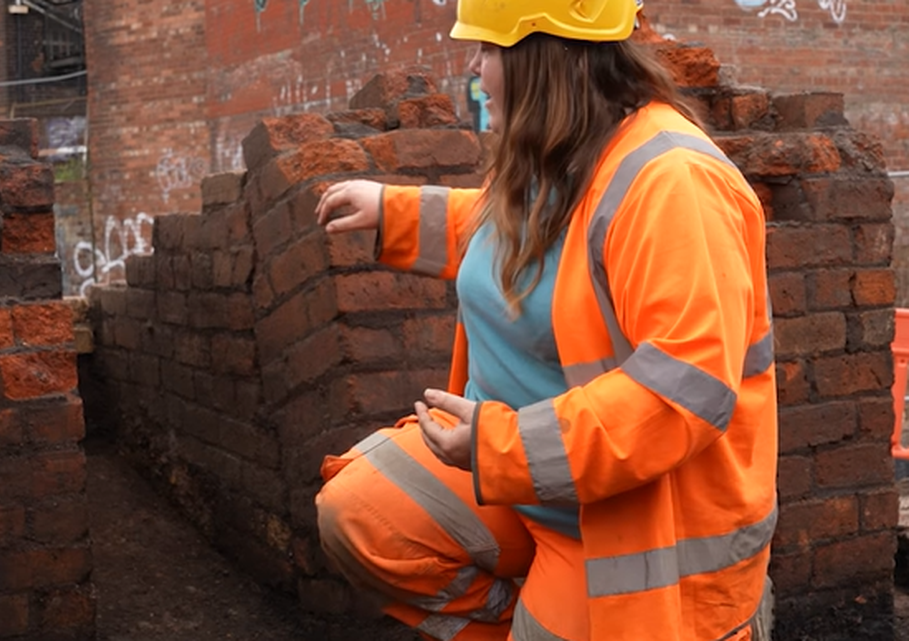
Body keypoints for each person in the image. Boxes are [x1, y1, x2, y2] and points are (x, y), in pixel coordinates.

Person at [312, 0, 778, 639]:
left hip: (615, 526)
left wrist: (502, 448)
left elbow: (681, 392)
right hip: (520, 486)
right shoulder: (567, 151)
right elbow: (532, 242)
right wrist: (396, 212)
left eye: (488, 51)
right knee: (361, 515)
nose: (476, 69)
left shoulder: (675, 184)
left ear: (542, 57)